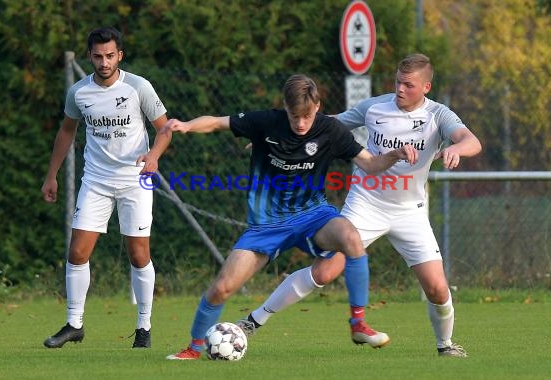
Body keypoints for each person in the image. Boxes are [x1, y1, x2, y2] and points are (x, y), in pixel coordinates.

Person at [238, 54, 482, 358]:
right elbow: (328, 125)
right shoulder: (374, 107)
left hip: (410, 212)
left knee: (436, 288)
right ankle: (252, 321)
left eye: (409, 84)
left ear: (426, 87)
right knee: (324, 272)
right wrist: (275, 138)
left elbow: (471, 140)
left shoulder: (439, 115)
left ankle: (445, 346)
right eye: (397, 81)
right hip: (365, 205)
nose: (400, 89)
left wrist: (457, 148)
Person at [163, 74, 418, 360]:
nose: (300, 123)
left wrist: (395, 154)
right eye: (294, 116)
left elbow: (370, 164)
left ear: (318, 107)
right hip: (267, 224)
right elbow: (216, 121)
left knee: (351, 237)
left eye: (307, 116)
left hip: (313, 215)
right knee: (221, 288)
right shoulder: (265, 122)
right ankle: (195, 349)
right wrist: (186, 125)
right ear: (284, 107)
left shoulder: (331, 130)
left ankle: (358, 323)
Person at [41, 26, 171, 349]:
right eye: (98, 56)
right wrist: (51, 175)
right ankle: (74, 323)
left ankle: (144, 328)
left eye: (110, 55)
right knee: (77, 251)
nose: (104, 62)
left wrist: (154, 155)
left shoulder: (139, 87)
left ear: (119, 56)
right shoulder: (79, 93)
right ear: (90, 57)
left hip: (135, 180)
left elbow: (165, 128)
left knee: (139, 254)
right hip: (96, 180)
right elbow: (67, 132)